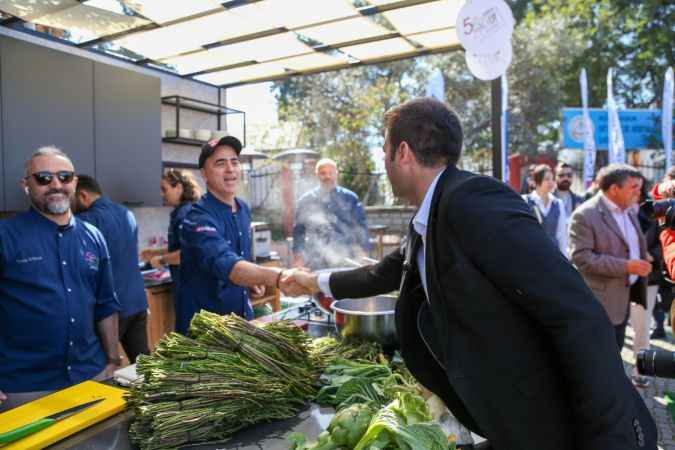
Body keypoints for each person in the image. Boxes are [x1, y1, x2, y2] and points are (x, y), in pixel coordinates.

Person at [284, 98, 656, 450]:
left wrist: (608, 436)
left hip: (549, 423)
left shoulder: (473, 200)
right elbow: (380, 274)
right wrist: (313, 280)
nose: (383, 163)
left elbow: (577, 312)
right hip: (504, 417)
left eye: (384, 152)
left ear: (403, 152)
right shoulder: (428, 218)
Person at [0, 147, 120, 412]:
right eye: (43, 178)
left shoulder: (94, 236)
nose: (56, 185)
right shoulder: (6, 235)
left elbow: (106, 304)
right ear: (26, 185)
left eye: (64, 177)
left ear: (74, 183)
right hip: (25, 386)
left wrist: (113, 360)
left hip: (91, 376)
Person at [177, 136, 293, 334]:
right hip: (206, 334)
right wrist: (280, 276)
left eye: (234, 162)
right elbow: (229, 266)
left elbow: (241, 258)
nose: (230, 169)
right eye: (220, 163)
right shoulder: (196, 218)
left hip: (240, 324)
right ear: (204, 173)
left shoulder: (243, 209)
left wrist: (252, 282)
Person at [569, 164, 651, 351]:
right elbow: (582, 258)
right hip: (600, 304)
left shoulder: (629, 210)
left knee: (616, 352)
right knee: (600, 358)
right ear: (614, 189)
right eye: (634, 187)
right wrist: (626, 266)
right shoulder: (585, 215)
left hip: (624, 300)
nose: (639, 193)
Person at [75, 174, 148, 363]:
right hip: (137, 302)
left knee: (106, 367)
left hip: (111, 310)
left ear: (82, 196)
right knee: (144, 364)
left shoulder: (86, 220)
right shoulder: (127, 213)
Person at [292, 158, 370, 269]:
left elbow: (360, 227)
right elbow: (299, 231)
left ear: (336, 174)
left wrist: (363, 254)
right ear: (317, 175)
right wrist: (298, 258)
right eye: (323, 173)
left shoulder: (350, 198)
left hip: (346, 257)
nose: (327, 176)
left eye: (331, 173)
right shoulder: (306, 200)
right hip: (316, 259)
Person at [140, 169, 201, 303]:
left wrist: (161, 259)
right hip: (185, 284)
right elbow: (180, 246)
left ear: (178, 188)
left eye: (164, 189)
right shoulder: (183, 211)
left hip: (190, 285)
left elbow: (188, 253)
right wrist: (155, 252)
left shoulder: (185, 214)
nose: (162, 194)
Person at [629, 174, 661, 387]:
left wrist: (651, 255)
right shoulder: (612, 211)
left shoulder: (653, 211)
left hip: (646, 277)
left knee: (641, 326)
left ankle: (641, 370)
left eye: (638, 186)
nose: (634, 190)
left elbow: (664, 242)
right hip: (617, 278)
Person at [522, 164, 568, 255]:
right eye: (547, 179)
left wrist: (565, 260)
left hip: (553, 255)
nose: (551, 182)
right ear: (537, 181)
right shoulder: (525, 201)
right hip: (531, 254)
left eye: (552, 179)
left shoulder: (558, 204)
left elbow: (561, 236)